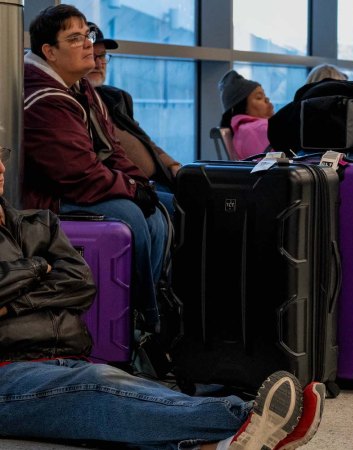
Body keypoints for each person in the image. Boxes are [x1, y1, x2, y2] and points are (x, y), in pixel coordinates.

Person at [0, 145, 325, 448]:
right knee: (96, 384)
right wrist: (38, 268)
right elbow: (62, 284)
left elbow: (80, 282)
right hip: (8, 370)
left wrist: (12, 300)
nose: (0, 167)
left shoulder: (39, 224)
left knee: (136, 390)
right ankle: (248, 418)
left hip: (61, 356)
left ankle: (226, 443)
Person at [23, 4, 167, 330]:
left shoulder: (80, 87)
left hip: (81, 184)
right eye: (75, 39)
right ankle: (142, 318)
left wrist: (138, 183)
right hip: (47, 199)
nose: (89, 43)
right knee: (132, 216)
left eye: (85, 34)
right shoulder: (43, 98)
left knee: (162, 208)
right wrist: (131, 189)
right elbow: (77, 175)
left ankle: (148, 307)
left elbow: (111, 148)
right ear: (50, 52)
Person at [85, 22, 181, 200]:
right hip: (126, 188)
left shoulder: (115, 98)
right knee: (178, 206)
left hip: (155, 179)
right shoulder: (75, 103)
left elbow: (144, 140)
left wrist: (172, 164)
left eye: (103, 56)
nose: (99, 64)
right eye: (92, 56)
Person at [218, 70, 274, 160]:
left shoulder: (241, 130)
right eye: (259, 97)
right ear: (243, 106)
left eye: (265, 96)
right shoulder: (257, 128)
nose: (267, 101)